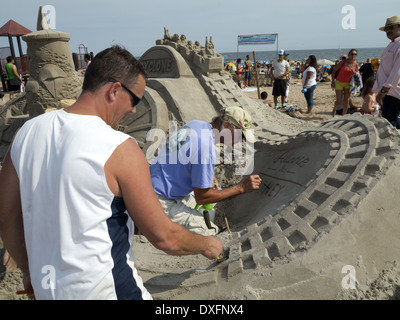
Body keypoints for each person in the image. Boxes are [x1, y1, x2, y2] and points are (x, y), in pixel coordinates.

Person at [0, 45, 223, 300]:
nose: (134, 110)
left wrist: (29, 271)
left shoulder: (27, 134)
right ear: (114, 90)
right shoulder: (118, 148)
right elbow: (165, 238)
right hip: (106, 290)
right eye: (135, 100)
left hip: (46, 290)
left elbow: (7, 218)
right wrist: (207, 244)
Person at [149, 107, 262, 236]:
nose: (239, 141)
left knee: (208, 212)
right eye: (240, 135)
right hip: (160, 200)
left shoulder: (196, 124)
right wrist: (241, 187)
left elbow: (187, 157)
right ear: (228, 126)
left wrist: (209, 175)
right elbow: (202, 198)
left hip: (154, 183)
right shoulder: (206, 148)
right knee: (211, 234)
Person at [373, 16, 400, 128]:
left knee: (389, 125)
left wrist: (382, 92)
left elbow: (396, 73)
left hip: (394, 93)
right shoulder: (392, 44)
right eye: (386, 29)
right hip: (390, 93)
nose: (388, 31)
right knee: (390, 124)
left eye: (391, 27)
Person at [331, 49, 359, 116]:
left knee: (347, 101)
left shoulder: (356, 64)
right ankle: (334, 108)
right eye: (352, 54)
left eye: (355, 54)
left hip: (348, 84)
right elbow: (334, 71)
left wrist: (355, 73)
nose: (353, 55)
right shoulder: (343, 62)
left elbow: (357, 76)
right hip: (339, 82)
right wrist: (332, 82)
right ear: (349, 55)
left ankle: (344, 116)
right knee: (339, 101)